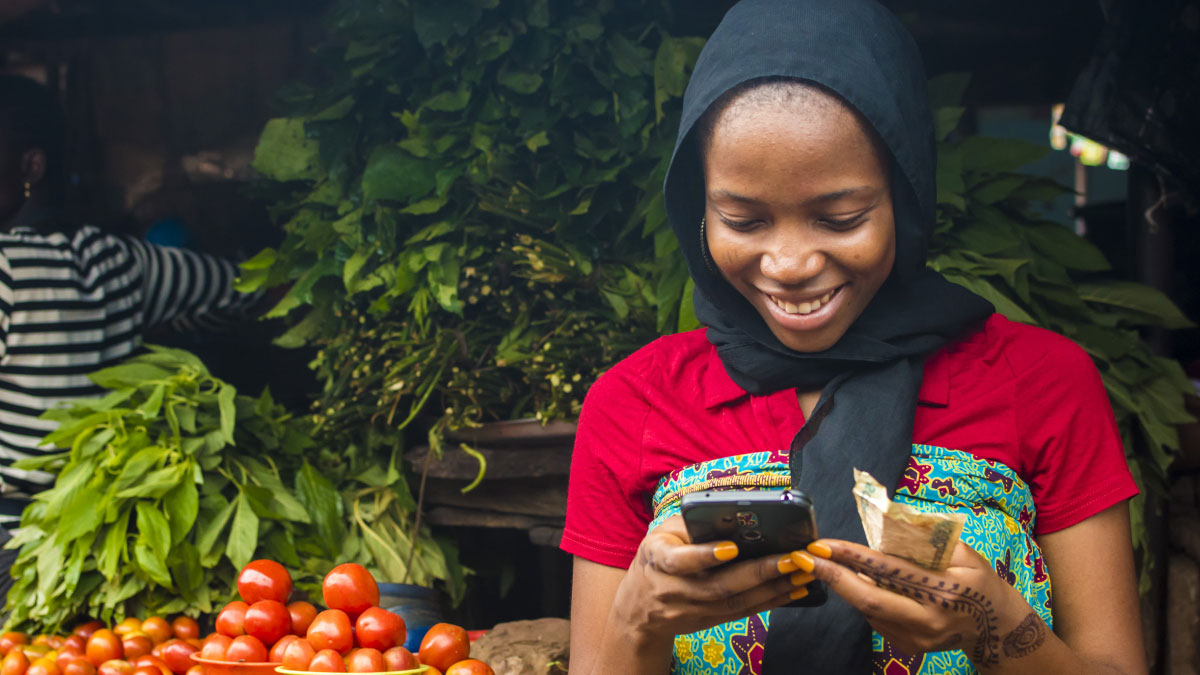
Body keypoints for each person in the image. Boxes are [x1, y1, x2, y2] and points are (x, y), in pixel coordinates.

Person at [560, 1, 1147, 674]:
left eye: (840, 218)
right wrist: (637, 622)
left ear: (906, 193)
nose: (790, 263)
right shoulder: (633, 401)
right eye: (743, 220)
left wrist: (996, 627)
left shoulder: (1042, 381)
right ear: (699, 209)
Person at [0, 74, 261, 530]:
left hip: (12, 536)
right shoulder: (119, 258)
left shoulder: (5, 266)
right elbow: (248, 291)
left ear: (31, 167)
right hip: (104, 529)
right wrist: (156, 327)